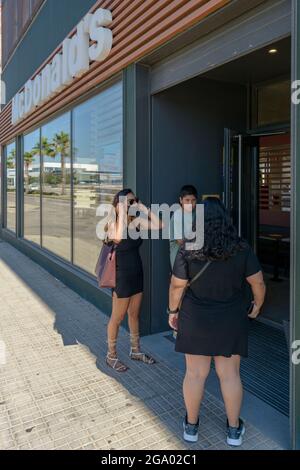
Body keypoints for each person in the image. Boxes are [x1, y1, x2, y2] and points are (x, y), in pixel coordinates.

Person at [168, 197, 266, 446]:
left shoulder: (188, 247)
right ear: (226, 220)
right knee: (230, 375)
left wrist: (172, 311)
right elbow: (258, 283)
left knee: (195, 374)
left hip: (195, 318)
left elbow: (177, 285)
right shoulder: (240, 248)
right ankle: (234, 431)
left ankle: (191, 427)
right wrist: (257, 306)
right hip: (230, 319)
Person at [105, 188, 162, 372]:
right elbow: (119, 238)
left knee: (134, 315)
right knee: (117, 317)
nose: (131, 205)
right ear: (118, 204)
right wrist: (121, 212)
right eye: (128, 202)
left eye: (133, 201)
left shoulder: (136, 222)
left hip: (137, 274)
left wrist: (142, 207)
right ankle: (111, 355)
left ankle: (135, 351)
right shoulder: (111, 224)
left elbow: (159, 225)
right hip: (121, 276)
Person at [169, 185, 198, 269]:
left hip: (194, 260)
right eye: (187, 200)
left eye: (193, 200)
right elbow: (182, 241)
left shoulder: (197, 214)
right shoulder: (177, 215)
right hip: (179, 260)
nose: (190, 203)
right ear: (181, 200)